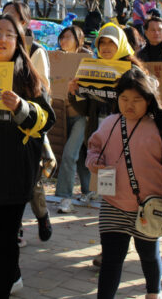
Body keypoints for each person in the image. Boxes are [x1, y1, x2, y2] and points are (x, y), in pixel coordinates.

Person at [0, 14, 55, 298]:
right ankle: (12, 273)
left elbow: (47, 120)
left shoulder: (28, 76)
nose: (2, 39)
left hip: (14, 169)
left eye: (9, 35)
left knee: (6, 236)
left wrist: (22, 107)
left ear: (18, 42)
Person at [86, 67, 162, 299]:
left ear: (148, 100)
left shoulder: (161, 128)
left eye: (137, 99)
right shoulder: (109, 123)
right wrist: (94, 161)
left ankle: (153, 292)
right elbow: (93, 147)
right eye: (124, 98)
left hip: (150, 207)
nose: (129, 104)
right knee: (111, 259)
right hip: (113, 204)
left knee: (148, 254)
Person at [64, 23, 145, 213]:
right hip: (101, 133)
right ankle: (109, 211)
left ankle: (131, 209)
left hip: (129, 135)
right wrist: (74, 93)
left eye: (112, 43)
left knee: (128, 177)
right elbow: (85, 109)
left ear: (122, 44)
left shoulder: (134, 71)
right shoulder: (91, 69)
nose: (106, 47)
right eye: (102, 43)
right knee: (106, 179)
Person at [2, 1, 53, 242]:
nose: (7, 21)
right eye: (4, 16)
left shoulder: (36, 51)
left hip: (28, 124)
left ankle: (41, 214)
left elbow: (43, 89)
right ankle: (16, 227)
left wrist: (22, 104)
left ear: (24, 23)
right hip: (1, 122)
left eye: (13, 17)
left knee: (30, 177)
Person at [55, 26, 95, 213]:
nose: (63, 41)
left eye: (67, 37)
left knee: (70, 155)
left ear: (78, 39)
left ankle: (64, 197)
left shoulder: (87, 60)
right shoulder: (56, 59)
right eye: (61, 37)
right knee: (79, 157)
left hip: (81, 116)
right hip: (62, 115)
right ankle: (88, 191)